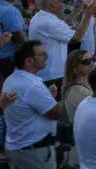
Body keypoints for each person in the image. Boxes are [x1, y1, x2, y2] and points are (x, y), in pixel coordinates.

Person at [3, 40, 61, 169]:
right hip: (34, 153)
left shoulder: (11, 79)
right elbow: (55, 112)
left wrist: (47, 98)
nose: (46, 57)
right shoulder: (32, 85)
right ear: (29, 61)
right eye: (42, 54)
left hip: (20, 149)